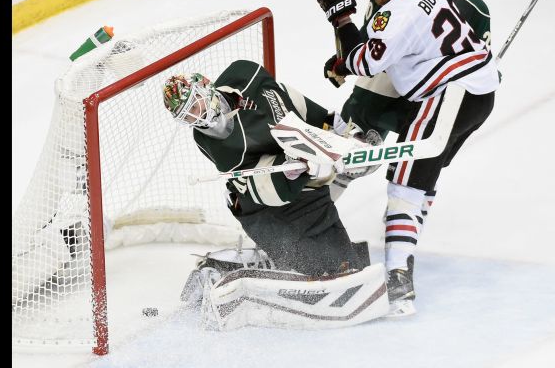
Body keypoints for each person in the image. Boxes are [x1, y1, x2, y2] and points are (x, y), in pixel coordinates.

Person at [315, 0, 499, 315]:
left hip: (449, 94)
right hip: (478, 90)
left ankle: (399, 279)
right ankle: (404, 235)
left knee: (401, 179)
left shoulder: (395, 13)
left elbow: (366, 63)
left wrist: (340, 14)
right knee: (420, 175)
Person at [162, 60, 392, 329]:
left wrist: (345, 134)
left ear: (206, 87)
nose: (196, 117)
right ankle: (219, 273)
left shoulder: (244, 73)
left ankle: (281, 263)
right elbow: (266, 189)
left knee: (346, 263)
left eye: (195, 105)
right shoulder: (216, 143)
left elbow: (297, 105)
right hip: (261, 207)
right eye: (186, 117)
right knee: (317, 267)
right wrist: (304, 166)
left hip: (304, 191)